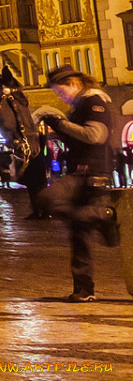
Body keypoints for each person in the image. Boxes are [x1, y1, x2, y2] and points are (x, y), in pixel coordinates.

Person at [34, 65, 120, 302]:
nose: (59, 97)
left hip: (90, 173)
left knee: (46, 198)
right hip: (81, 171)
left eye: (60, 92)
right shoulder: (81, 105)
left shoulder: (94, 102)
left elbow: (95, 136)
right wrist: (56, 124)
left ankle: (105, 215)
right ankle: (84, 290)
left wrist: (59, 122)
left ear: (73, 83)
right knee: (78, 231)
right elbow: (75, 137)